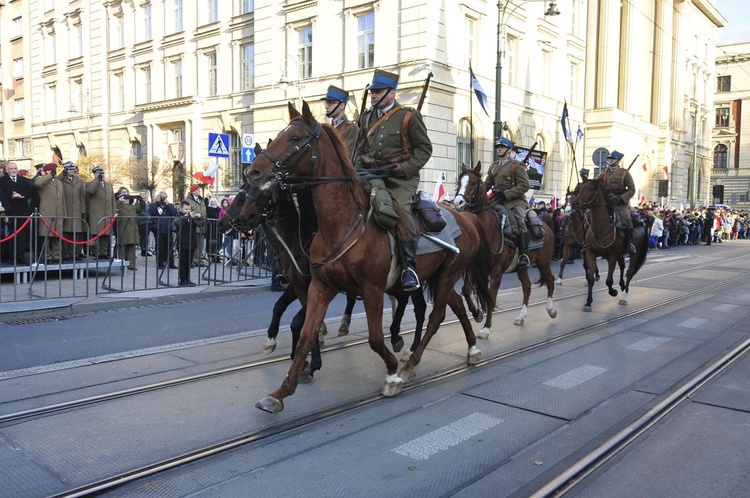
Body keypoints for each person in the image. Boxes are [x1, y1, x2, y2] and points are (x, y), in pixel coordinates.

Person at [354, 69, 432, 291]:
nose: (374, 96)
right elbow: (359, 150)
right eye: (372, 93)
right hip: (371, 174)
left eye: (378, 92)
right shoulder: (367, 118)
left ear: (392, 93)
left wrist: (406, 168)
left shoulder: (408, 116)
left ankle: (409, 268)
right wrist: (361, 163)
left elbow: (424, 149)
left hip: (400, 178)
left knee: (399, 209)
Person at [484, 137, 531, 268]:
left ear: (509, 150)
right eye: (497, 147)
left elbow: (524, 186)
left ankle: (523, 254)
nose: (499, 149)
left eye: (502, 147)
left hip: (515, 202)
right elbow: (487, 184)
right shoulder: (493, 166)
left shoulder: (516, 165)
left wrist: (506, 194)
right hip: (497, 200)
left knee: (520, 220)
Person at [596, 150, 637, 254]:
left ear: (618, 160)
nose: (610, 160)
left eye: (613, 159)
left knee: (627, 218)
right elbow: (596, 182)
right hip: (605, 200)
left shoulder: (625, 173)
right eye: (609, 159)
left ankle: (629, 244)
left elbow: (632, 189)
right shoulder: (605, 172)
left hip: (619, 201)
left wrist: (621, 198)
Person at [0, 161, 33, 263]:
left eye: (15, 168)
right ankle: (12, 257)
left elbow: (28, 193)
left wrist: (21, 196)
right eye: (11, 169)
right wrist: (12, 195)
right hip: (10, 211)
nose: (13, 170)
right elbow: (3, 195)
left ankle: (20, 257)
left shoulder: (24, 180)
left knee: (22, 236)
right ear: (7, 170)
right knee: (11, 236)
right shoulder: (2, 181)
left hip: (22, 211)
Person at [33, 163, 66, 263]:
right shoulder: (41, 179)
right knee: (46, 236)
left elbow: (62, 198)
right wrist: (49, 175)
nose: (54, 172)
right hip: (47, 212)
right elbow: (37, 185)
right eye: (52, 170)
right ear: (46, 171)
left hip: (58, 212)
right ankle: (47, 257)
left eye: (54, 170)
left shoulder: (59, 182)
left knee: (56, 236)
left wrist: (64, 213)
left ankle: (56, 256)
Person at [86, 165, 116, 259]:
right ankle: (97, 253)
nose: (101, 175)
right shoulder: (90, 184)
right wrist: (97, 180)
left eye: (102, 173)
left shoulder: (109, 185)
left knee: (106, 235)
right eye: (99, 173)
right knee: (97, 234)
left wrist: (113, 213)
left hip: (107, 214)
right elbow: (90, 191)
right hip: (96, 214)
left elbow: (112, 201)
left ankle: (104, 252)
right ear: (94, 174)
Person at [60, 162, 87, 260]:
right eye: (69, 169)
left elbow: (82, 196)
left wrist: (82, 210)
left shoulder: (79, 181)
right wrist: (62, 172)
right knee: (66, 233)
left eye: (73, 169)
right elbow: (58, 179)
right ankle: (65, 254)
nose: (72, 171)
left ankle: (75, 254)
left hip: (77, 210)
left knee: (76, 234)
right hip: (66, 209)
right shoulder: (61, 180)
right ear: (66, 170)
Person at [172, 200, 203, 286]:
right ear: (181, 209)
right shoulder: (179, 216)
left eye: (189, 209)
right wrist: (187, 215)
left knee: (189, 262)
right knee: (183, 263)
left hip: (191, 242)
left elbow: (201, 224)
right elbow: (177, 222)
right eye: (186, 209)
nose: (188, 211)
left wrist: (199, 217)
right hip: (182, 242)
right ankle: (182, 280)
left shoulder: (191, 217)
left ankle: (187, 279)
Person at [321, 85, 359, 154]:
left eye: (331, 103)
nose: (326, 106)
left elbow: (347, 157)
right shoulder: (327, 129)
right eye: (326, 102)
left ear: (342, 106)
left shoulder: (351, 128)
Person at [148, 191, 179, 269]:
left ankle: (171, 263)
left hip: (168, 229)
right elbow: (150, 211)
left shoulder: (169, 205)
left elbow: (174, 212)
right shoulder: (155, 205)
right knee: (160, 247)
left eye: (164, 197)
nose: (163, 199)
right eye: (162, 197)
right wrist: (157, 202)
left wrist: (167, 204)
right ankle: (160, 263)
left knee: (170, 247)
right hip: (158, 229)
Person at [183, 184, 207, 267]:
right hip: (193, 226)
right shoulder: (188, 201)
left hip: (201, 226)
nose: (199, 191)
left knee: (200, 245)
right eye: (197, 190)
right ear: (193, 191)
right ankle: (191, 260)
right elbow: (188, 211)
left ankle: (198, 260)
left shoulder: (201, 200)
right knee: (192, 244)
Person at [115, 190, 139, 271]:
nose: (127, 200)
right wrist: (119, 201)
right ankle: (122, 263)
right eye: (125, 199)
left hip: (132, 230)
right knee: (122, 248)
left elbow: (141, 209)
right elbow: (114, 207)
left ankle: (131, 264)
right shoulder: (119, 207)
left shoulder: (133, 207)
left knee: (131, 248)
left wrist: (141, 201)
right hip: (123, 229)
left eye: (128, 199)